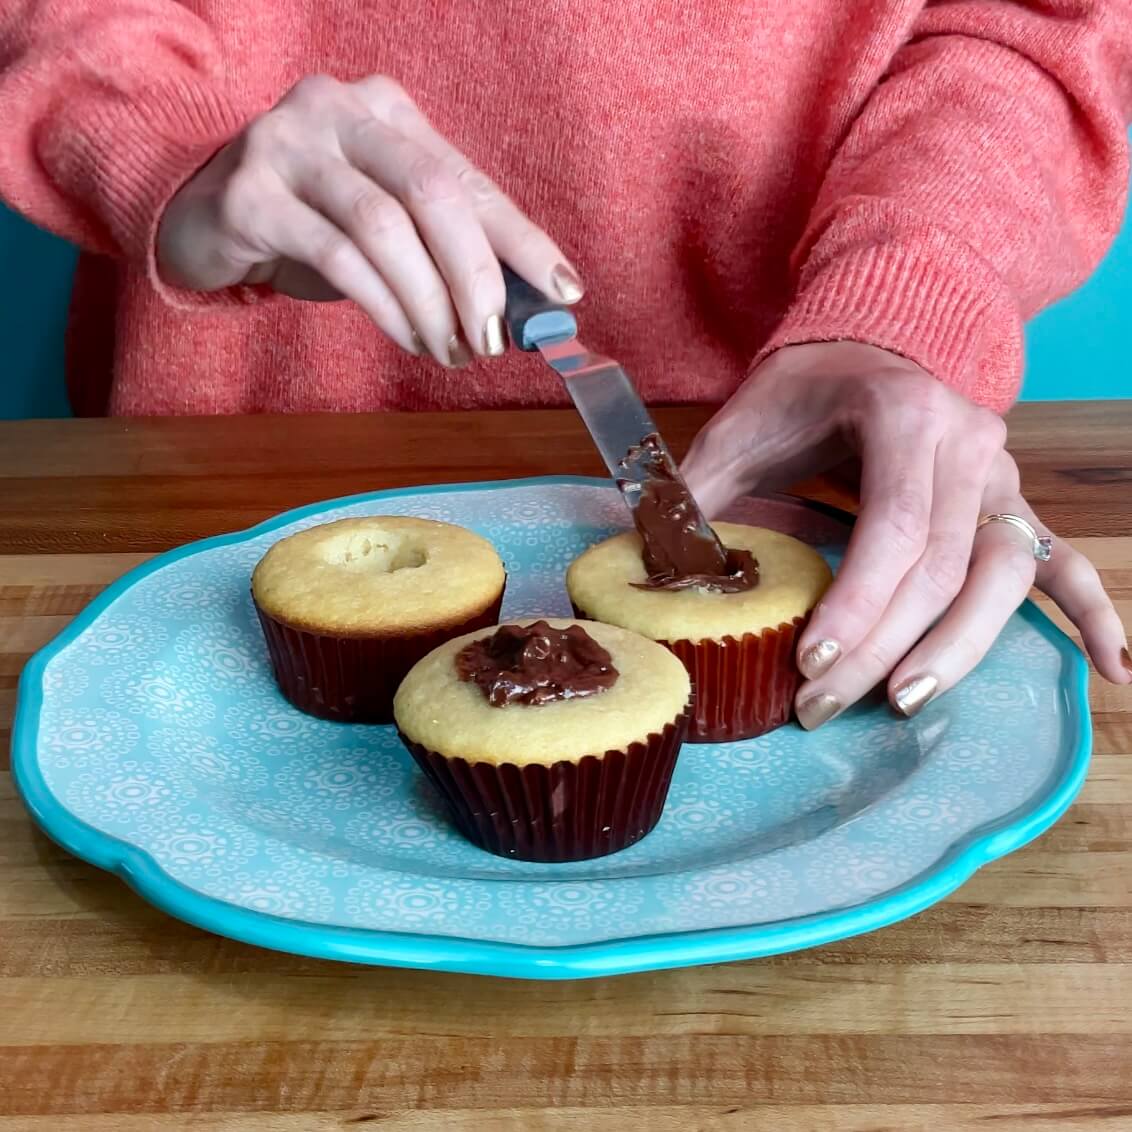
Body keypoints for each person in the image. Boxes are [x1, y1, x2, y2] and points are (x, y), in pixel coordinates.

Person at [1, 2, 1129, 728]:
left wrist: (903, 301)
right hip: (220, 463)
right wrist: (167, 144)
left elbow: (1031, 26)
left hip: (800, 472)